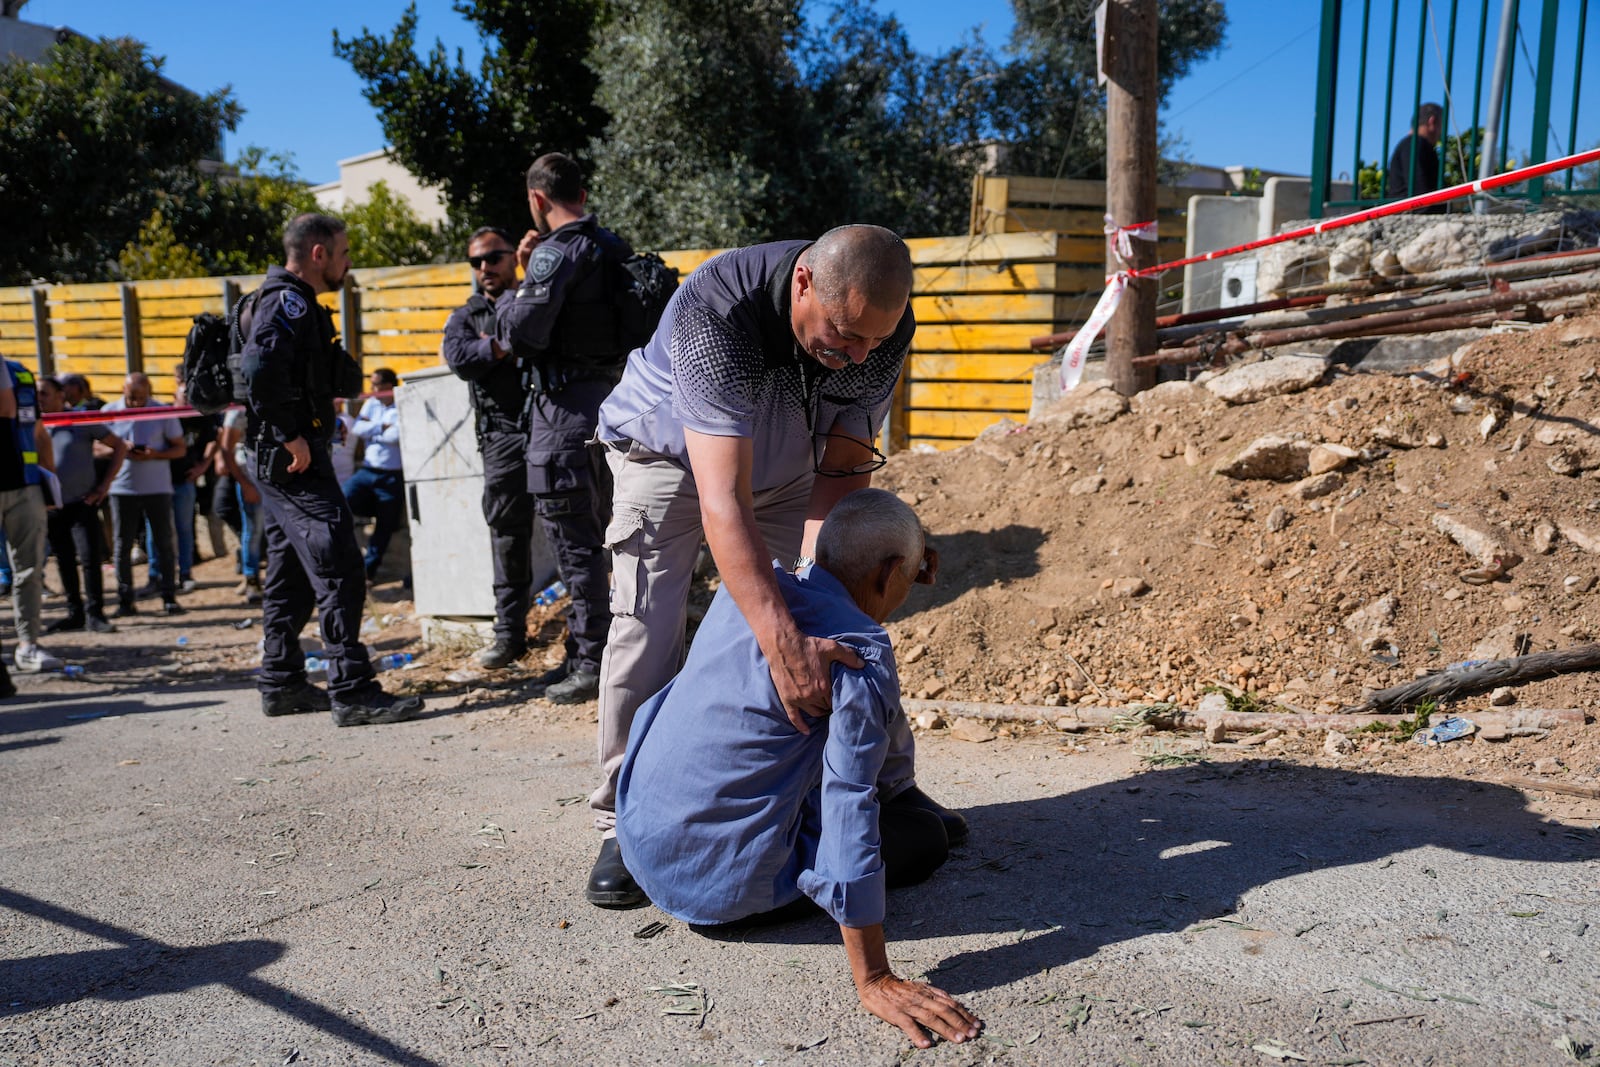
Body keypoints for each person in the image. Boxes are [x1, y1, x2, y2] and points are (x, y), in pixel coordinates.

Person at [585, 224, 965, 908]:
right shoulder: (718, 313)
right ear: (803, 284)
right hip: (670, 457)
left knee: (842, 613)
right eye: (845, 334)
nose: (856, 356)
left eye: (873, 343)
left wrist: (824, 597)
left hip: (789, 460)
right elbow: (723, 503)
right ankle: (622, 813)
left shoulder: (877, 328)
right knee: (649, 621)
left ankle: (890, 784)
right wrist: (782, 638)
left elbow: (844, 464)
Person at [616, 489, 980, 1049]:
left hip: (642, 845)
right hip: (720, 892)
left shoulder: (751, 591)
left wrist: (899, 569)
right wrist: (874, 976)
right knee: (924, 839)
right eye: (910, 574)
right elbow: (847, 802)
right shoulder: (855, 651)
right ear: (888, 573)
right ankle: (768, 884)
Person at [241, 212, 423, 727]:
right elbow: (259, 368)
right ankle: (352, 689)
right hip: (292, 461)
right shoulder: (289, 300)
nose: (347, 263)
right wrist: (291, 433)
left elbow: (291, 375)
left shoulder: (278, 299)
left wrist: (313, 425)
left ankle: (281, 681)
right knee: (340, 562)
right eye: (343, 253)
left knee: (290, 570)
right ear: (318, 254)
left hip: (284, 458)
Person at [492, 153, 630, 701]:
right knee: (599, 537)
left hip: (563, 414)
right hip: (612, 405)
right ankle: (585, 651)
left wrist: (514, 286)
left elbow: (521, 333)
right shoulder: (611, 247)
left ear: (537, 200)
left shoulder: (556, 251)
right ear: (584, 194)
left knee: (574, 543)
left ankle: (592, 661)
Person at [441, 225, 542, 670]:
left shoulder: (535, 298)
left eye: (493, 258)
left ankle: (590, 640)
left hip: (548, 427)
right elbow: (460, 357)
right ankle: (510, 634)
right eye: (476, 262)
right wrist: (503, 344)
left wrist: (498, 342)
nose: (484, 268)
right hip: (501, 437)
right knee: (508, 536)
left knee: (577, 531)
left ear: (512, 259)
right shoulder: (467, 315)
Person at [39, 375, 127, 633]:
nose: (39, 399)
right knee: (64, 560)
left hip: (81, 502)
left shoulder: (80, 419)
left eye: (44, 393)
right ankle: (74, 613)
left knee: (89, 558)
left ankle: (95, 614)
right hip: (51, 505)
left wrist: (104, 485)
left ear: (60, 395)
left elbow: (119, 446)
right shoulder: (34, 423)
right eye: (37, 394)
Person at [101, 372, 185, 617]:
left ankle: (169, 595)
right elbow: (94, 447)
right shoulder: (109, 411)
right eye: (131, 397)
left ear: (149, 392)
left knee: (164, 543)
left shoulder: (162, 411)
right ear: (122, 390)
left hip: (157, 487)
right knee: (122, 545)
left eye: (141, 397)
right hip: (121, 488)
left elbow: (179, 448)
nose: (136, 403)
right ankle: (125, 599)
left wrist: (154, 454)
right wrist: (119, 449)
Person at [0, 358, 60, 678]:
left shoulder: (19, 372)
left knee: (30, 569)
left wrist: (50, 483)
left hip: (25, 486)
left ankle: (28, 644)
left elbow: (37, 430)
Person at [144, 376, 212, 595]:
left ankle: (185, 573)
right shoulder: (161, 416)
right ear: (174, 397)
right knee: (154, 532)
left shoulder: (199, 417)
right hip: (157, 483)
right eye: (185, 398)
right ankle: (155, 576)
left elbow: (215, 438)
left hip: (184, 481)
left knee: (184, 530)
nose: (189, 402)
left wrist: (203, 466)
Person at [343, 367, 406, 582]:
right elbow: (357, 428)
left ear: (389, 386)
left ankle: (368, 571)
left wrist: (373, 429)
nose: (372, 389)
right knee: (342, 502)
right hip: (368, 471)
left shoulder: (402, 404)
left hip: (391, 476)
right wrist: (382, 427)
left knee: (385, 527)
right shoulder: (372, 403)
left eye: (376, 384)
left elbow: (397, 435)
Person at [214, 405, 263, 604]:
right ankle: (251, 578)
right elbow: (226, 449)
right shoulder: (238, 411)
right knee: (252, 530)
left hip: (272, 476)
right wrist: (244, 484)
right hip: (250, 477)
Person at [1386, 102, 1444, 202]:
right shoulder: (1416, 144)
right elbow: (1419, 190)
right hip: (1411, 211)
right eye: (1442, 125)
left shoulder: (1409, 144)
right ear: (1432, 121)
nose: (1441, 132)